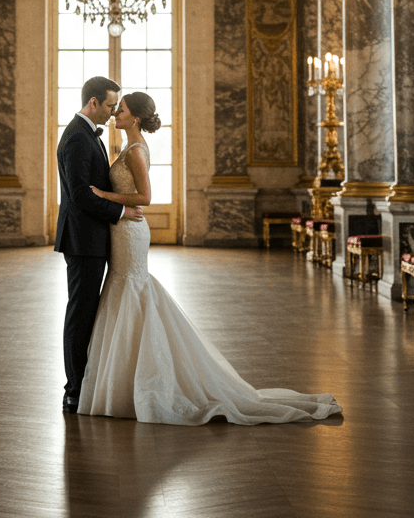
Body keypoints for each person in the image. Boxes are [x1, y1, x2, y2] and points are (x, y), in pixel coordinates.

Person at [78, 91, 342, 425]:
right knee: (126, 290)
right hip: (122, 229)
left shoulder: (135, 151)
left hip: (131, 232)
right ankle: (124, 381)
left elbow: (145, 196)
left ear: (137, 117)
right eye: (117, 109)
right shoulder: (129, 146)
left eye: (123, 110)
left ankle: (135, 384)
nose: (117, 113)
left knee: (131, 289)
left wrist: (104, 195)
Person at [55, 75, 145, 415]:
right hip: (82, 240)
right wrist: (121, 211)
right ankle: (74, 390)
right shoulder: (78, 137)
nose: (112, 112)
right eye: (109, 105)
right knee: (80, 314)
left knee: (87, 311)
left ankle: (87, 383)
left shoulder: (86, 134)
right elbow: (80, 196)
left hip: (92, 238)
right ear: (93, 103)